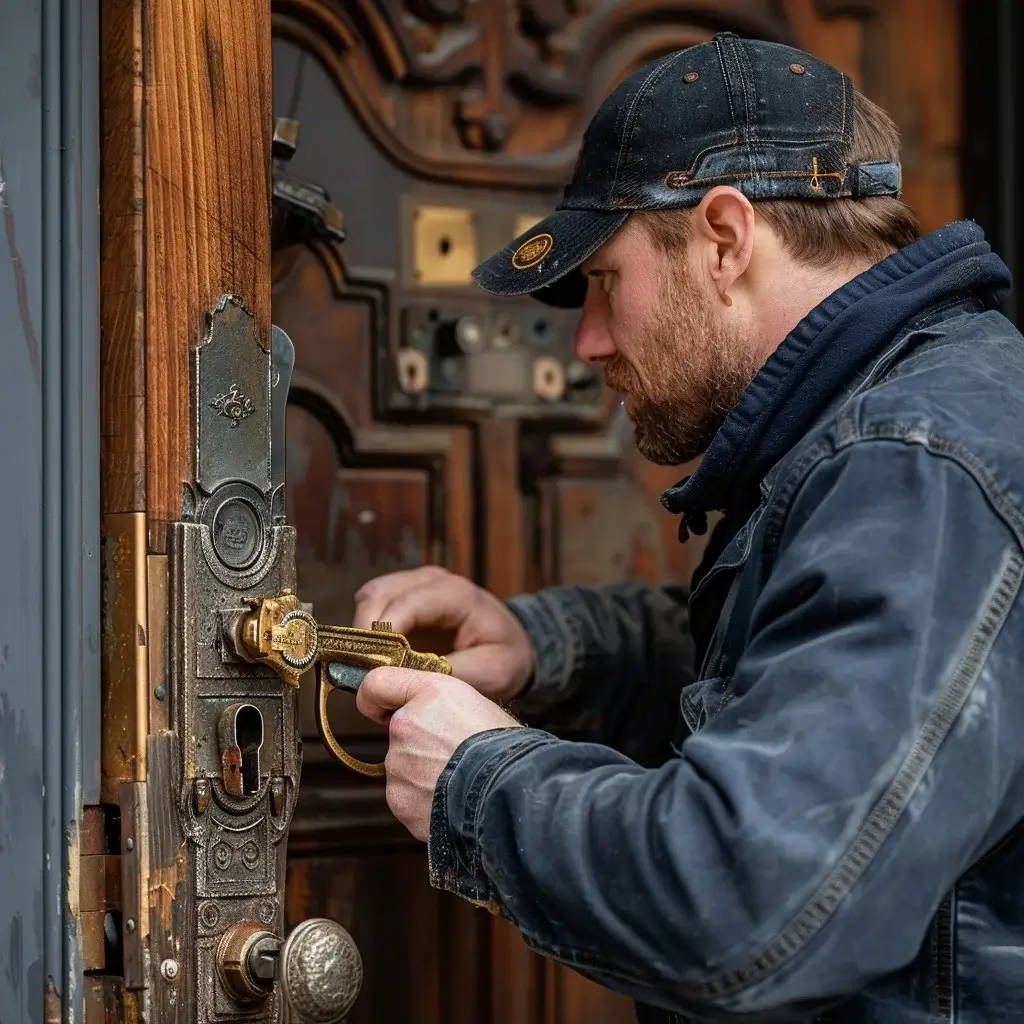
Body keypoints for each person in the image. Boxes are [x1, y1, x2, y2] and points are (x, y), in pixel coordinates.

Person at [352, 32, 1024, 1023]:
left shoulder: (915, 463)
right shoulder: (896, 425)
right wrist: (544, 649)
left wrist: (479, 782)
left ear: (723, 235)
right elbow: (797, 654)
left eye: (602, 281)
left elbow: (747, 898)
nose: (587, 341)